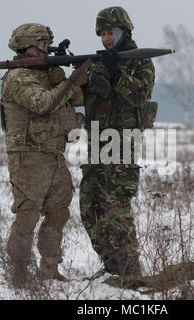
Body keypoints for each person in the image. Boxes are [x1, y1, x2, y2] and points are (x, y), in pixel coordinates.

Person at [0, 23, 86, 287]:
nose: (47, 51)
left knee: (59, 211)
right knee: (28, 215)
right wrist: (70, 81)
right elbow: (44, 104)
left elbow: (77, 98)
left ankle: (49, 270)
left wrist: (64, 81)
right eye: (43, 46)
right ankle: (17, 273)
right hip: (28, 155)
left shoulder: (44, 75)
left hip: (52, 153)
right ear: (27, 47)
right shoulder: (18, 78)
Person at [80, 7, 156, 277]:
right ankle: (112, 265)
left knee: (116, 208)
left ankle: (131, 270)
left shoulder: (141, 62)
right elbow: (83, 98)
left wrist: (117, 74)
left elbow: (139, 95)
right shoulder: (99, 62)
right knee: (89, 207)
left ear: (123, 30)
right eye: (102, 33)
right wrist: (80, 77)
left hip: (121, 144)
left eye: (110, 32)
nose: (106, 38)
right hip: (96, 144)